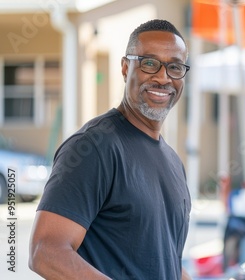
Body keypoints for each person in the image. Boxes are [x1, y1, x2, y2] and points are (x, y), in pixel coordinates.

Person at [29, 19, 192, 280]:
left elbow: (167, 259)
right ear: (126, 68)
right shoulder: (93, 147)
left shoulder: (173, 162)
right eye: (149, 63)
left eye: (174, 67)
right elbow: (46, 252)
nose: (163, 77)